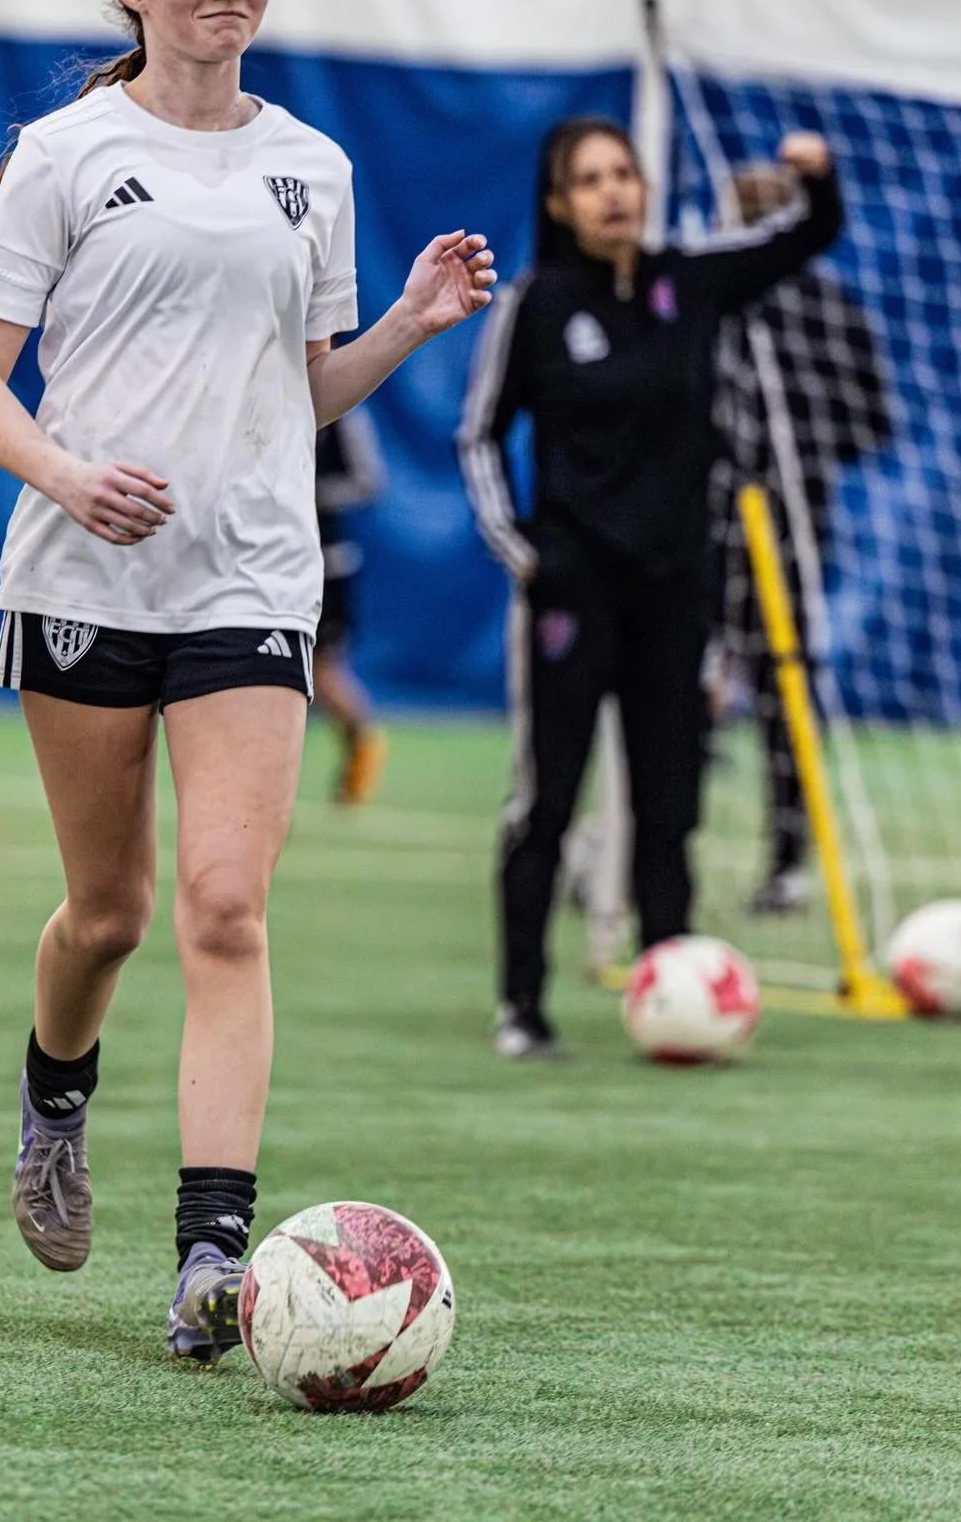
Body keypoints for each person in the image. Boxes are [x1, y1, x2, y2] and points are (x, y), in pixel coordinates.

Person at [0, 0, 494, 1360]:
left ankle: (212, 1255)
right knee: (110, 914)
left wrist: (406, 326)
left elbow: (301, 392)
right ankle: (56, 1100)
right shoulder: (67, 154)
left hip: (253, 576)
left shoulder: (311, 163)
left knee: (227, 907)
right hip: (81, 574)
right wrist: (67, 473)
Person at [457, 116, 842, 1058]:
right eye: (589, 180)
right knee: (548, 801)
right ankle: (522, 1006)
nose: (613, 192)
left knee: (670, 807)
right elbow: (478, 436)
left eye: (624, 173)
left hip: (678, 592)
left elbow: (804, 236)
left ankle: (669, 985)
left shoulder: (690, 281)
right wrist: (526, 552)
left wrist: (818, 180)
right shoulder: (539, 302)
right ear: (559, 203)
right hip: (572, 596)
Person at [711, 162, 892, 914]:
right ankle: (628, 848)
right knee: (697, 681)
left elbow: (868, 421)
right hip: (702, 521)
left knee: (777, 683)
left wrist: (796, 454)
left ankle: (785, 857)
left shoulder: (819, 307)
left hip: (779, 526)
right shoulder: (700, 299)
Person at [313, 409, 388, 802]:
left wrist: (306, 489)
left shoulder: (344, 414)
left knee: (323, 667)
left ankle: (363, 740)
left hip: (326, 560)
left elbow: (368, 479)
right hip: (272, 558)